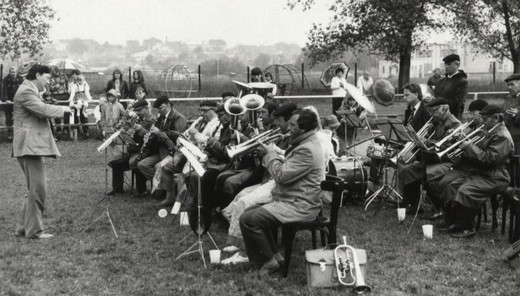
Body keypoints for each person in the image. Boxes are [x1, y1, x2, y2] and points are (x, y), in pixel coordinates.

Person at [240, 109, 325, 275]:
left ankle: (268, 262)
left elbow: (281, 176)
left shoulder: (307, 149)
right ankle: (276, 258)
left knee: (248, 220)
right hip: (293, 200)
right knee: (250, 213)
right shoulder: (305, 143)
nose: (289, 127)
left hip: (300, 205)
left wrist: (270, 154)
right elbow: (288, 169)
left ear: (303, 128)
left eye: (292, 125)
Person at [220, 103, 296, 265]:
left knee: (244, 203)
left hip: (281, 185)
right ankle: (240, 243)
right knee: (240, 197)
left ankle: (244, 252)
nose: (280, 125)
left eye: (282, 122)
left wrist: (272, 153)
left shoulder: (296, 141)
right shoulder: (290, 137)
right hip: (273, 181)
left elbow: (286, 168)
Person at [12, 64, 72, 239]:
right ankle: (35, 231)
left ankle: (23, 229)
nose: (49, 81)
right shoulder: (26, 91)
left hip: (30, 146)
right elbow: (43, 110)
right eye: (46, 77)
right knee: (38, 189)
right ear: (37, 75)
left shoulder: (29, 89)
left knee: (33, 189)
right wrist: (64, 109)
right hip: (29, 146)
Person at [435, 105, 513, 238]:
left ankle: (467, 227)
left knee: (466, 191)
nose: (482, 121)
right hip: (482, 173)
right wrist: (463, 144)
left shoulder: (502, 136)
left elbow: (489, 159)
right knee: (451, 186)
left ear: (496, 118)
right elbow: (479, 152)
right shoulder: (491, 131)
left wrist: (469, 146)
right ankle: (454, 222)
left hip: (496, 176)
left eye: (485, 119)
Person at [430, 54, 469, 119]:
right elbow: (435, 95)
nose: (446, 67)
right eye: (445, 64)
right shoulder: (441, 81)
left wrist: (440, 101)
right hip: (438, 117)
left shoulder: (462, 82)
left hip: (453, 118)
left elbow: (457, 103)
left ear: (457, 65)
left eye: (449, 64)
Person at [2, 67, 23, 140]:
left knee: (19, 117)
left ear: (17, 72)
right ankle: (10, 133)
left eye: (14, 72)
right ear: (9, 72)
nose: (12, 73)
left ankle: (19, 133)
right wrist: (6, 99)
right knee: (8, 117)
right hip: (8, 102)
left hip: (18, 102)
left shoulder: (21, 79)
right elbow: (4, 91)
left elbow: (23, 90)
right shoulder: (6, 79)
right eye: (11, 72)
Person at [502, 73, 520, 154]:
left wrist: (517, 114)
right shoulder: (508, 98)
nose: (509, 88)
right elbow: (503, 114)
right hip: (508, 137)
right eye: (508, 85)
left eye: (512, 84)